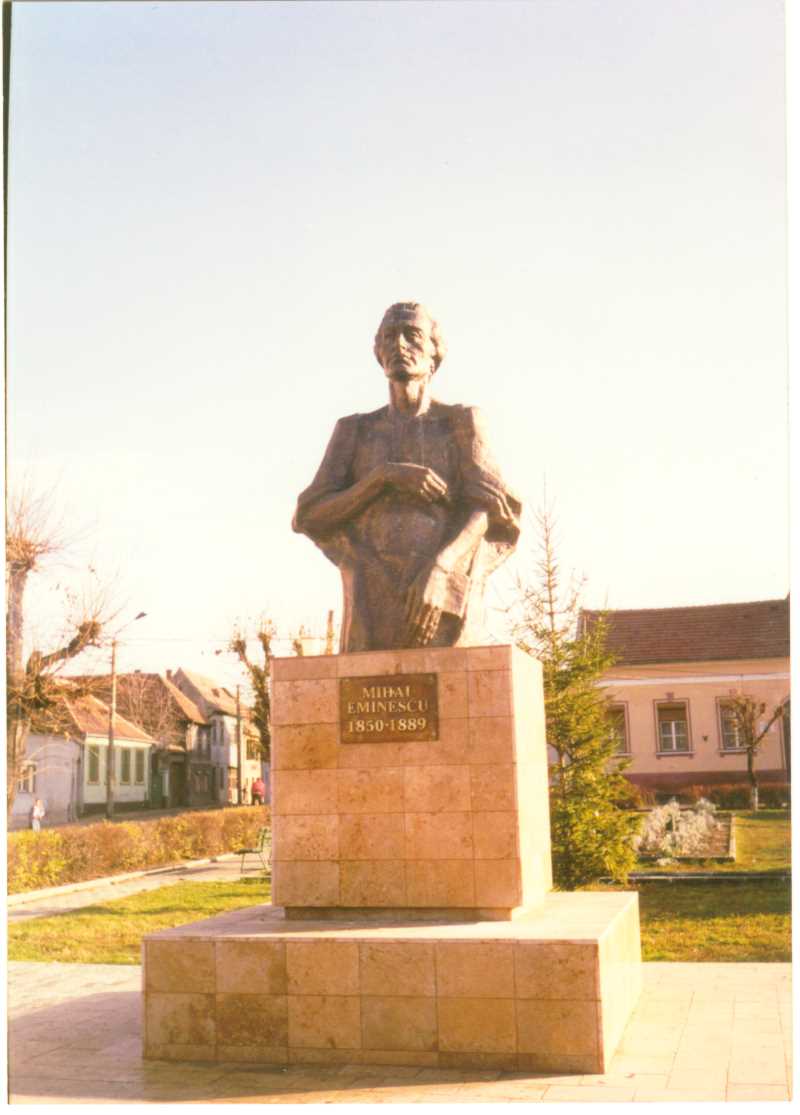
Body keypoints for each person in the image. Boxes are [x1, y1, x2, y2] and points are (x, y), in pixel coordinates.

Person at [293, 302, 521, 651]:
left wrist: (440, 568)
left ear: (434, 353)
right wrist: (383, 478)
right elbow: (309, 515)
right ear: (378, 352)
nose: (399, 344)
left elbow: (489, 508)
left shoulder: (460, 422)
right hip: (371, 600)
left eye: (412, 335)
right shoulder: (354, 431)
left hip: (440, 594)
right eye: (389, 336)